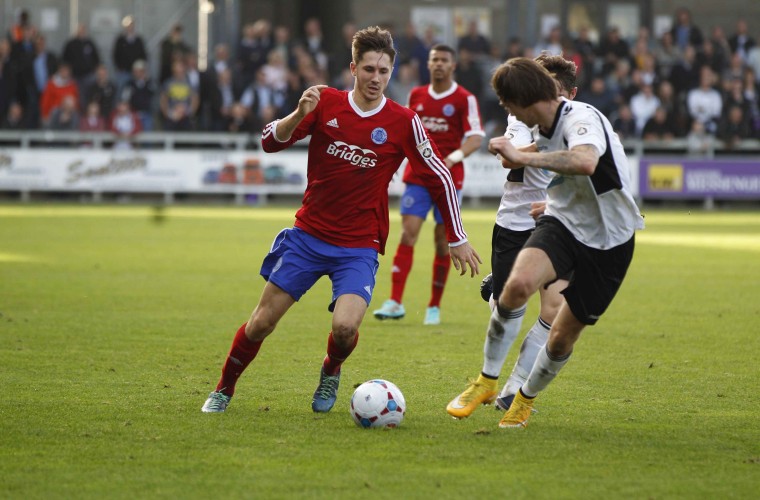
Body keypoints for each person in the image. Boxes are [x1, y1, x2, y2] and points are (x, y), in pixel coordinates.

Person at [201, 26, 481, 415]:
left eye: (383, 71)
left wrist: (456, 236)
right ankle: (223, 389)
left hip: (358, 245)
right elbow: (269, 140)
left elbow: (440, 176)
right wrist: (299, 113)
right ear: (353, 67)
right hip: (308, 236)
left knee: (346, 328)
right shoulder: (325, 103)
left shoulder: (404, 121)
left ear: (391, 72)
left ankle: (331, 369)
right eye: (369, 69)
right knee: (261, 323)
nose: (376, 78)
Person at [482, 57, 643, 428]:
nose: (510, 112)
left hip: (609, 239)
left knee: (559, 334)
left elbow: (585, 163)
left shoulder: (581, 118)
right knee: (514, 290)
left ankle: (520, 395)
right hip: (544, 223)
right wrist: (554, 202)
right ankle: (488, 382)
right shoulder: (533, 124)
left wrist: (521, 157)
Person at [446, 53, 577, 419]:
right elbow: (511, 157)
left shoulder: (582, 124)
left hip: (561, 225)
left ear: (572, 93)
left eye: (556, 91)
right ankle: (497, 291)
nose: (547, 99)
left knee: (554, 310)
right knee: (507, 305)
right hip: (516, 224)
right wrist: (551, 142)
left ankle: (512, 389)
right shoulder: (521, 116)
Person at [373, 44, 484, 325]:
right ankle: (395, 301)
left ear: (453, 65)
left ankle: (433, 306)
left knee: (441, 241)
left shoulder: (464, 98)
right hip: (417, 176)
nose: (438, 65)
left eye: (444, 60)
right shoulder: (417, 95)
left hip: (448, 179)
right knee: (407, 233)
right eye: (434, 60)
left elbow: (474, 137)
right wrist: (393, 164)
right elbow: (403, 133)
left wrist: (453, 158)